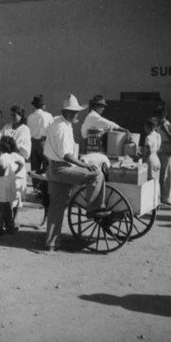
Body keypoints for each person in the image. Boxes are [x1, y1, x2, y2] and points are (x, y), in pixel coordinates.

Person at [44, 94, 109, 252]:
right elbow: (65, 154)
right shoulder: (60, 127)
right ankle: (94, 208)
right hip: (61, 168)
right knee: (96, 173)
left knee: (56, 207)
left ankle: (51, 243)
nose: (76, 114)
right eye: (73, 112)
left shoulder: (62, 123)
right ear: (65, 111)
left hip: (55, 168)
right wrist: (84, 165)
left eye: (77, 111)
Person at [0, 136, 24, 234]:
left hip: (2, 185)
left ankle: (1, 226)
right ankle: (9, 225)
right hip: (8, 184)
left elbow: (1, 173)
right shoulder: (11, 156)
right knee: (6, 206)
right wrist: (13, 173)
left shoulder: (2, 157)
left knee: (2, 207)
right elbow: (21, 164)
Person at [27, 94, 54, 193]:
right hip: (44, 142)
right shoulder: (48, 116)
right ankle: (45, 189)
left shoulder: (30, 117)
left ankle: (36, 189)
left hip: (33, 143)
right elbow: (52, 129)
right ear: (43, 105)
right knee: (46, 167)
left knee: (35, 167)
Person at [154, 106, 171, 206]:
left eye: (159, 116)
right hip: (159, 152)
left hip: (168, 154)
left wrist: (165, 130)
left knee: (168, 176)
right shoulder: (157, 127)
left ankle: (168, 199)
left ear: (163, 115)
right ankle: (161, 198)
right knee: (160, 176)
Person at [142, 117, 161, 181]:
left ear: (148, 127)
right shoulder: (158, 136)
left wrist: (143, 161)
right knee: (155, 183)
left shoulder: (148, 137)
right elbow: (157, 148)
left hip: (150, 161)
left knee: (149, 182)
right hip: (157, 160)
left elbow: (148, 151)